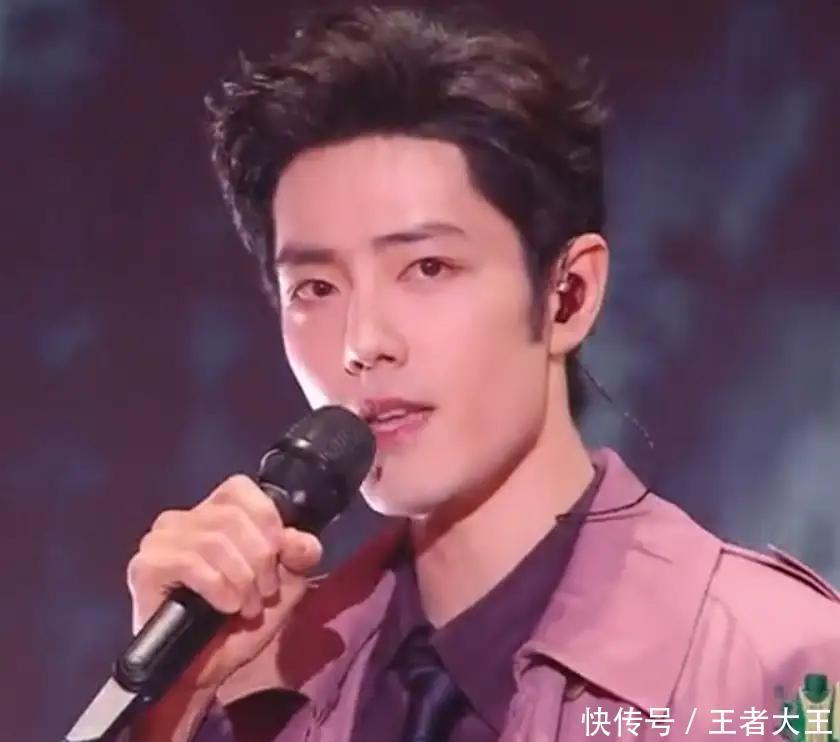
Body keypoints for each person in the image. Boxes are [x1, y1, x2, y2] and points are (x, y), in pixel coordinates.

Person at [123, 6, 840, 741]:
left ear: (568, 294)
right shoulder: (248, 686)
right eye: (316, 288)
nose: (363, 343)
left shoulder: (785, 670)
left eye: (428, 268)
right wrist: (167, 706)